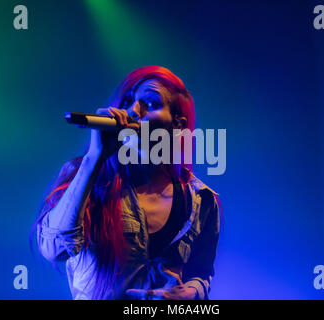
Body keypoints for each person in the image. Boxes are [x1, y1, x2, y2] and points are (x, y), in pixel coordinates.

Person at [34, 66, 220, 300]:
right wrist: (94, 158)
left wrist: (188, 294)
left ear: (177, 125)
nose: (133, 111)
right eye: (129, 101)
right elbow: (53, 249)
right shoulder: (86, 175)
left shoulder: (200, 199)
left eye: (151, 104)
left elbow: (201, 273)